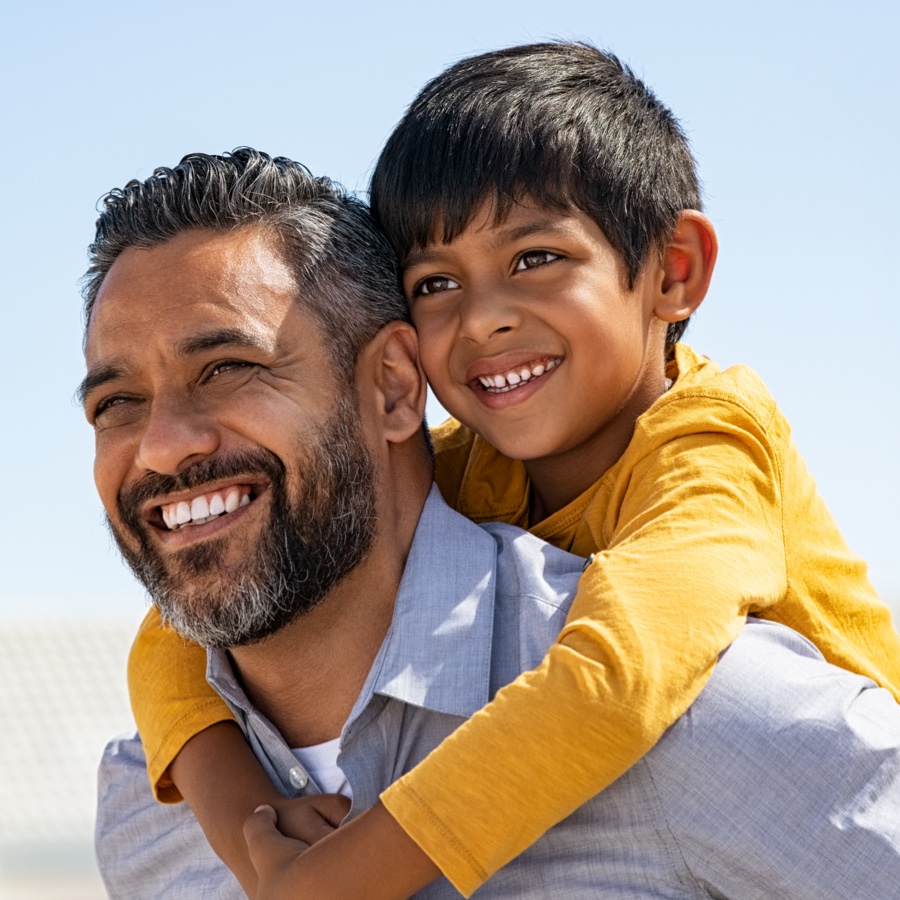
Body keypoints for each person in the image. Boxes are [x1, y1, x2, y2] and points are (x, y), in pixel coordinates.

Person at [126, 43, 900, 897]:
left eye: (535, 259)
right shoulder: (474, 465)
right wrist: (247, 831)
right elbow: (177, 633)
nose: (485, 318)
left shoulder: (710, 455)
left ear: (673, 271)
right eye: (436, 281)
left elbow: (615, 684)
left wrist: (325, 883)